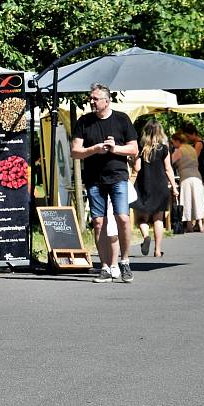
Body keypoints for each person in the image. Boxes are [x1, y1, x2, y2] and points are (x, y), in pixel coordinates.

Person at [71, 83, 138, 283]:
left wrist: (114, 148)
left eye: (95, 98)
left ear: (107, 100)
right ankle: (106, 267)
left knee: (123, 218)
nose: (91, 101)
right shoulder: (84, 121)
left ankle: (125, 262)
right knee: (99, 223)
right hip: (94, 179)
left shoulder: (122, 119)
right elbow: (75, 151)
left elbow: (133, 149)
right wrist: (95, 149)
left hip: (117, 176)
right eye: (90, 98)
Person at [131, 120, 178, 257]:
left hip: (143, 186)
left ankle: (146, 236)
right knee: (159, 219)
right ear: (160, 132)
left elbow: (137, 168)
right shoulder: (164, 149)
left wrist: (131, 161)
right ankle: (157, 250)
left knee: (141, 219)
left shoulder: (140, 148)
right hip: (160, 186)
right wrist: (174, 187)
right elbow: (168, 169)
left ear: (145, 132)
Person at [171, 133, 204, 233]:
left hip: (186, 177)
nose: (173, 144)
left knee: (187, 200)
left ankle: (189, 225)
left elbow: (170, 161)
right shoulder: (192, 149)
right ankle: (200, 224)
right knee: (198, 200)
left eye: (173, 142)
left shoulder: (179, 150)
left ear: (178, 141)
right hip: (197, 176)